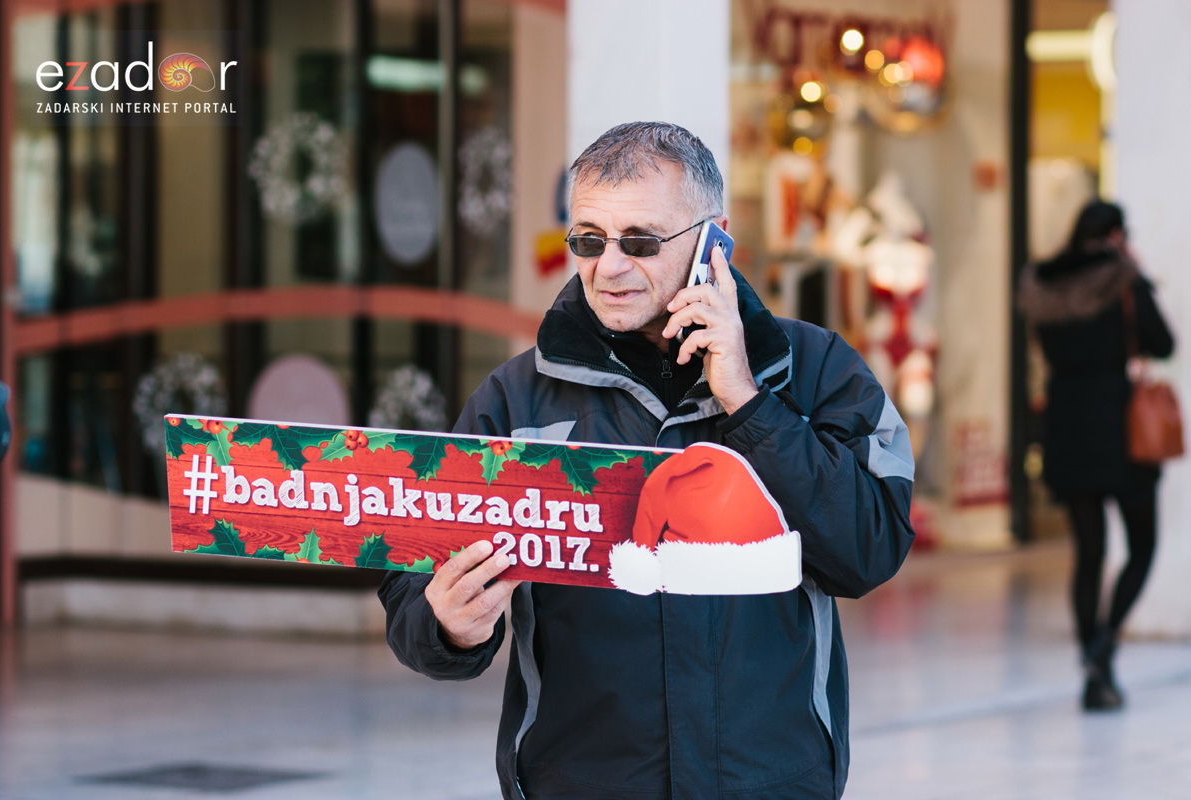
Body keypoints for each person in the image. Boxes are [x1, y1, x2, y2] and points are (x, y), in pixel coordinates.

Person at [379, 121, 915, 799]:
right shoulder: (515, 400)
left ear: (715, 238)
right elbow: (412, 584)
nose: (609, 266)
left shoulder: (812, 371)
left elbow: (870, 549)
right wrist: (446, 624)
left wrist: (749, 404)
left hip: (772, 783)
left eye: (641, 241)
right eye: (589, 239)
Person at [1017, 199, 1174, 712]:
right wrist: (1139, 276)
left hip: (1067, 424)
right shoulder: (1122, 277)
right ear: (1114, 236)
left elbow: (1046, 346)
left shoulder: (1042, 281)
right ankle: (1104, 648)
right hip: (1119, 427)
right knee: (1143, 544)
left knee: (1088, 554)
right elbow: (1162, 342)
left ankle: (1092, 659)